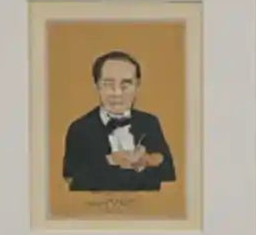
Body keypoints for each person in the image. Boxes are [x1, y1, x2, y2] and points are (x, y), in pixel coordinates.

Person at [62, 51, 177, 193]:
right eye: (108, 84)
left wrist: (147, 160)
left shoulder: (149, 123)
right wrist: (111, 160)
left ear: (137, 85)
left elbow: (168, 173)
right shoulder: (80, 129)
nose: (117, 93)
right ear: (97, 85)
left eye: (126, 85)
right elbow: (72, 179)